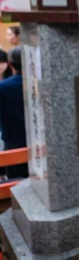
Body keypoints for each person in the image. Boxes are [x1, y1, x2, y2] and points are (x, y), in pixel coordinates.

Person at [0, 48, 28, 179]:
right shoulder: (39, 83)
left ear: (10, 64)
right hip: (40, 142)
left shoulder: (3, 87)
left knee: (17, 182)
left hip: (13, 143)